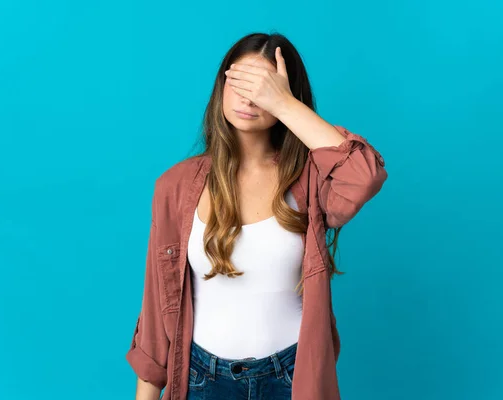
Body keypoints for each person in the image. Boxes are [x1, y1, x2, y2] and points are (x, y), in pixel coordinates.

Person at [126, 32, 388, 400]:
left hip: (292, 379)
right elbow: (155, 316)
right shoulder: (176, 186)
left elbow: (364, 175)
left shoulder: (311, 181)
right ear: (221, 87)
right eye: (239, 83)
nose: (248, 98)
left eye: (264, 87)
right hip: (201, 380)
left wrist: (284, 105)